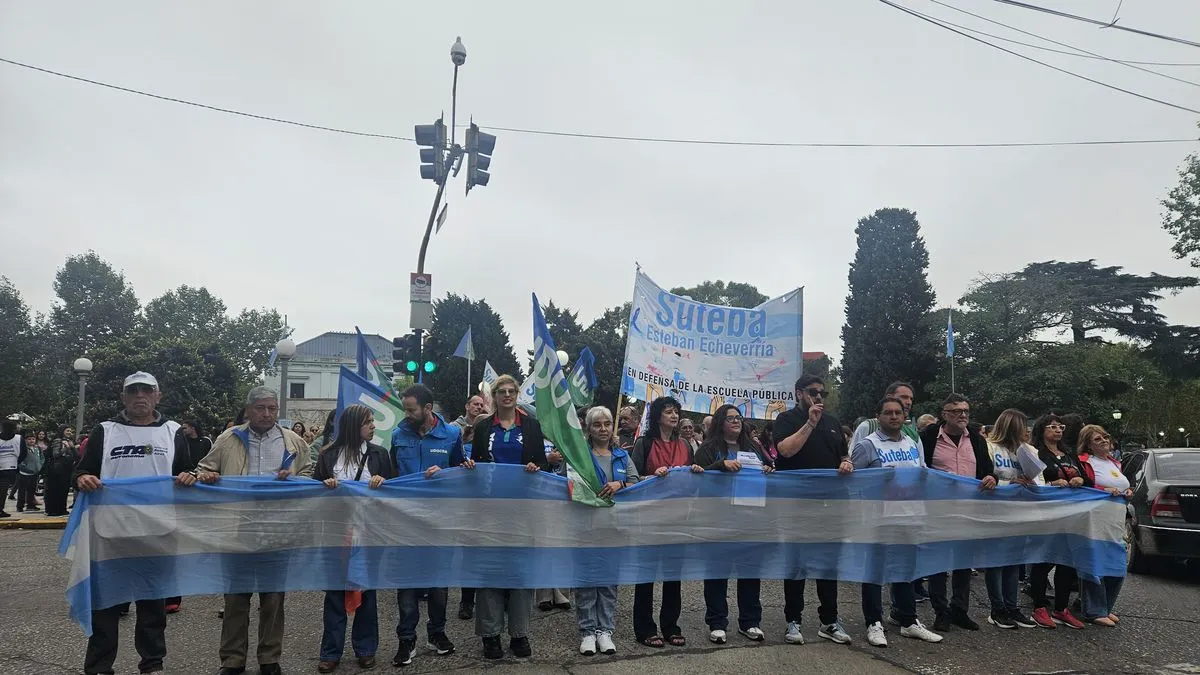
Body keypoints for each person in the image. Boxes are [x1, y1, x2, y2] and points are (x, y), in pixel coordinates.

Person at [74, 371, 194, 675]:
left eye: (147, 390)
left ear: (158, 396)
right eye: (133, 390)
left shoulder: (172, 431)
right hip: (110, 532)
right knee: (105, 606)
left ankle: (152, 665)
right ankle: (99, 667)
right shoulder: (105, 431)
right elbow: (83, 471)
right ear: (123, 397)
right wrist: (83, 478)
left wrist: (189, 476)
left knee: (152, 606)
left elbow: (186, 472)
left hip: (158, 531)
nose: (140, 395)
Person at [195, 386, 313, 675]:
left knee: (273, 600)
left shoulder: (293, 441)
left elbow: (309, 474)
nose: (267, 414)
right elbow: (203, 468)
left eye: (272, 408)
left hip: (277, 530)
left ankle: (269, 658)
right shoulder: (229, 438)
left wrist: (294, 479)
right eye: (261, 408)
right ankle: (232, 660)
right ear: (248, 410)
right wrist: (208, 475)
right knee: (236, 600)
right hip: (237, 529)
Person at [851, 396, 943, 647]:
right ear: (878, 416)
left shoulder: (912, 442)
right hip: (877, 519)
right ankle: (873, 622)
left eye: (898, 413)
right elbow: (852, 483)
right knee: (874, 572)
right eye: (888, 412)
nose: (893, 416)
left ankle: (908, 620)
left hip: (909, 516)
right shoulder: (867, 445)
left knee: (905, 571)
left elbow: (922, 472)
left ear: (904, 417)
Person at [390, 384, 471, 666]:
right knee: (407, 583)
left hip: (440, 521)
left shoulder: (452, 434)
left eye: (411, 409)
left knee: (438, 581)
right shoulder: (398, 434)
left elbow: (462, 472)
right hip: (406, 520)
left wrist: (446, 473)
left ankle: (437, 633)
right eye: (405, 409)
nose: (407, 414)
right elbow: (391, 473)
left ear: (427, 408)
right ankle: (406, 638)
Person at [770, 375, 855, 646]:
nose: (819, 397)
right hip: (796, 505)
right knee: (797, 564)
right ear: (799, 394)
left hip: (829, 505)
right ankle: (793, 619)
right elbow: (785, 451)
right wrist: (810, 423)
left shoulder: (833, 423)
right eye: (813, 392)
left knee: (828, 566)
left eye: (822, 393)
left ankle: (829, 621)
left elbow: (843, 455)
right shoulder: (785, 420)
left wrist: (847, 463)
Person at [470, 375, 548, 660]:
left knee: (520, 571)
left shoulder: (531, 426)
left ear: (517, 395)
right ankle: (490, 635)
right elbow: (476, 463)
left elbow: (542, 462)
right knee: (490, 570)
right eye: (501, 391)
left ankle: (519, 633)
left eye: (511, 391)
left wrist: (536, 466)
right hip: (490, 509)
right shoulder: (482, 427)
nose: (507, 395)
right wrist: (470, 466)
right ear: (494, 396)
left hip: (523, 509)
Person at [314, 404, 396, 673]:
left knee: (367, 593)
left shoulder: (379, 454)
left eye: (372, 421)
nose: (373, 426)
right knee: (335, 594)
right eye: (367, 422)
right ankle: (330, 652)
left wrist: (382, 482)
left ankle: (366, 649)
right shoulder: (328, 455)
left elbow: (392, 492)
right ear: (352, 426)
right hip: (336, 534)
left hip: (369, 533)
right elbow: (314, 492)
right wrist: (325, 486)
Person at [694, 404, 774, 644]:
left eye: (738, 417)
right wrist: (720, 466)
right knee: (717, 573)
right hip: (718, 520)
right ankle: (717, 622)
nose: (736, 421)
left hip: (750, 520)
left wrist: (767, 469)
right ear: (721, 423)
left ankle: (750, 622)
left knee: (750, 572)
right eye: (730, 418)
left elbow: (769, 468)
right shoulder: (708, 448)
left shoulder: (754, 447)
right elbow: (697, 477)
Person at [628, 396, 701, 648]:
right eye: (669, 411)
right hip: (650, 518)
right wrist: (651, 476)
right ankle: (645, 628)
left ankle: (671, 626)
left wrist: (696, 473)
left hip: (678, 518)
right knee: (646, 575)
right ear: (658, 416)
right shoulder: (644, 443)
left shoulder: (685, 445)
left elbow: (692, 482)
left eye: (676, 412)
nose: (674, 416)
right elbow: (632, 479)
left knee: (673, 577)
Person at [918, 394, 995, 632]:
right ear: (944, 414)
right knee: (938, 564)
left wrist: (991, 478)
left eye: (965, 411)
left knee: (963, 563)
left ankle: (960, 609)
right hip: (938, 511)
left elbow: (987, 470)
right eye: (956, 411)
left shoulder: (976, 439)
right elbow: (920, 471)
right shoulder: (928, 438)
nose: (962, 415)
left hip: (968, 510)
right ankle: (941, 612)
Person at [574, 406, 639, 656]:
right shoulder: (579, 455)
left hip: (614, 526)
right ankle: (587, 632)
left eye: (607, 424)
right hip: (586, 525)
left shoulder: (622, 455)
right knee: (587, 581)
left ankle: (605, 630)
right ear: (588, 428)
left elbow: (636, 482)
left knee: (609, 582)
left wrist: (620, 484)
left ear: (613, 426)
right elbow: (565, 482)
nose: (603, 429)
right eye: (597, 424)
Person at [1027, 414, 1090, 630]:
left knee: (1067, 561)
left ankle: (1061, 608)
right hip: (1048, 513)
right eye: (1052, 427)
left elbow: (1087, 479)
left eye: (1060, 427)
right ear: (1042, 429)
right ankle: (1039, 606)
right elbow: (1032, 481)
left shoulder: (1069, 454)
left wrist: (1080, 479)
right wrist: (1053, 484)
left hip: (1071, 513)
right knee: (1044, 560)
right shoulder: (1037, 454)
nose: (1058, 430)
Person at [982, 409, 1039, 630]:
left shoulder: (1027, 451)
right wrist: (1010, 484)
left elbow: (1039, 480)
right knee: (996, 563)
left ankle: (1012, 607)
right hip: (996, 512)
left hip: (1019, 513)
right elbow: (986, 480)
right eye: (1023, 426)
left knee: (1014, 562)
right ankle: (997, 609)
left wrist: (1032, 483)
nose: (1026, 431)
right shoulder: (989, 447)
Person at [1076, 424, 1130, 627]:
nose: (1104, 441)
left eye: (1105, 437)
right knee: (1095, 563)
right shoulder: (1084, 462)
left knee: (1116, 563)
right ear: (1088, 445)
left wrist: (1127, 491)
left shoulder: (1114, 462)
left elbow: (1121, 485)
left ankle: (1106, 606)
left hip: (1115, 520)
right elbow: (1084, 486)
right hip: (1094, 519)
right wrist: (1103, 489)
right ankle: (1094, 610)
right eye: (1097, 439)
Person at [43, 427, 77, 517]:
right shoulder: (58, 441)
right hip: (57, 470)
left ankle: (62, 509)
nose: (69, 432)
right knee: (56, 490)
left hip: (66, 469)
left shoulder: (69, 441)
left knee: (64, 490)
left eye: (70, 431)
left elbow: (75, 455)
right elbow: (56, 454)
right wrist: (66, 448)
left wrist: (72, 447)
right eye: (67, 431)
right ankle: (54, 510)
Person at [16, 432, 44, 512]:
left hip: (35, 472)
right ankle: (20, 506)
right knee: (22, 490)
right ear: (25, 440)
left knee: (32, 490)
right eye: (29, 439)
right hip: (24, 473)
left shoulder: (37, 449)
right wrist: (25, 467)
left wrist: (40, 466)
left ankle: (30, 505)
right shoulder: (23, 449)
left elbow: (42, 458)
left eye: (33, 439)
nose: (31, 441)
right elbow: (20, 460)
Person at [0, 420, 22, 518]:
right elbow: (23, 453)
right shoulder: (18, 438)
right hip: (10, 468)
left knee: (3, 490)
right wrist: (16, 462)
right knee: (3, 490)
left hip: (5, 467)